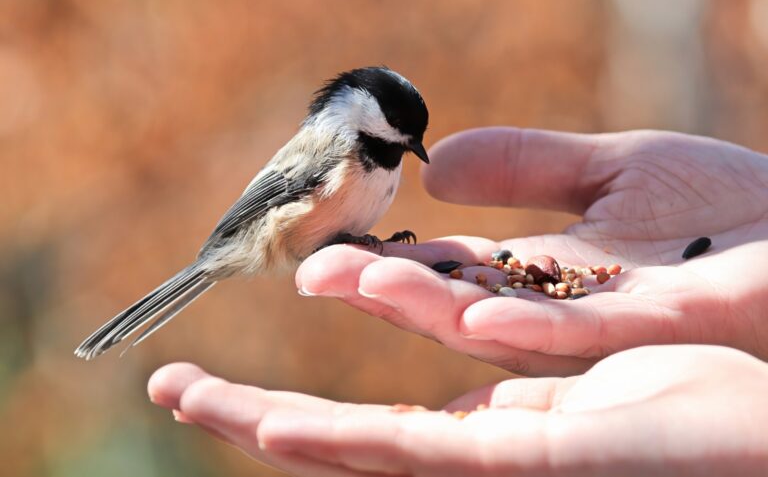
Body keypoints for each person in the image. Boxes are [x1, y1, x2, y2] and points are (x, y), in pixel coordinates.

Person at [148, 127, 768, 476]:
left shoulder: (377, 157)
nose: (411, 150)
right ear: (369, 122)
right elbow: (266, 207)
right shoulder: (334, 148)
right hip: (268, 231)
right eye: (403, 136)